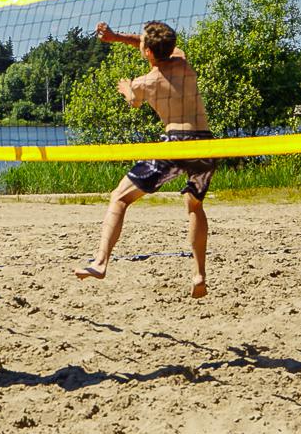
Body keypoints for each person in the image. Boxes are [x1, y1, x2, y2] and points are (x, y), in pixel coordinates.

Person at [73, 21, 214, 298]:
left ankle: (100, 262)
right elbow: (151, 41)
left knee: (120, 198)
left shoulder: (144, 83)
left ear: (148, 52)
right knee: (194, 206)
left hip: (175, 144)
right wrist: (117, 38)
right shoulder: (183, 61)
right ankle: (199, 274)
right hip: (205, 144)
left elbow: (134, 102)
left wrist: (126, 90)